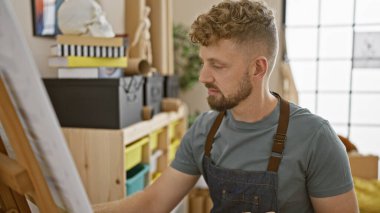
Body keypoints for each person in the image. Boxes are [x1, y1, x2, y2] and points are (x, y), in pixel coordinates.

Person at [93, 0, 359, 212]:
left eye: (217, 66)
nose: (203, 77)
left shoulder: (315, 138)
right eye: (204, 62)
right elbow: (151, 204)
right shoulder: (205, 131)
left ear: (258, 68)